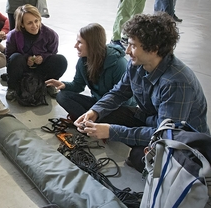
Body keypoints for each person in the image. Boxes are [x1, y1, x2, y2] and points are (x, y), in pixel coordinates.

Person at [74, 13, 209, 172]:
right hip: (149, 120)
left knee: (139, 157)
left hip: (180, 142)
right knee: (102, 115)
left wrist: (112, 132)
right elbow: (119, 93)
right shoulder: (136, 64)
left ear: (154, 49)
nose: (127, 51)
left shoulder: (176, 82)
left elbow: (166, 135)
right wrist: (95, 111)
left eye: (133, 45)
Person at [45, 23, 136, 121]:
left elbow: (126, 101)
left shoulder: (118, 64)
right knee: (62, 96)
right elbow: (78, 85)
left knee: (117, 116)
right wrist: (64, 85)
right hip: (98, 103)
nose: (75, 46)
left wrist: (98, 110)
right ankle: (88, 121)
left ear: (92, 44)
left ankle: (89, 121)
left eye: (79, 42)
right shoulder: (83, 61)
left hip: (118, 108)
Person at [5, 4, 67, 101]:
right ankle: (12, 87)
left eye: (36, 21)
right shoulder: (13, 35)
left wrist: (43, 57)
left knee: (61, 60)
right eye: (29, 23)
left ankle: (49, 84)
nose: (34, 26)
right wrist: (26, 58)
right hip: (23, 69)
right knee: (15, 57)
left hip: (42, 69)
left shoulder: (51, 34)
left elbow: (53, 53)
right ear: (22, 24)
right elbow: (8, 57)